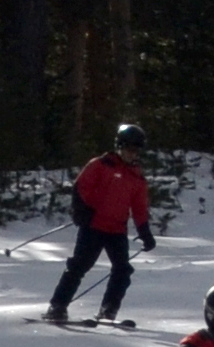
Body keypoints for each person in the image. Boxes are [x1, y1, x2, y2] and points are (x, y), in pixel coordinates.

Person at [49, 123, 157, 324]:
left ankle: (109, 310)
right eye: (129, 149)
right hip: (93, 226)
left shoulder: (137, 177)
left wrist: (145, 232)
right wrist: (81, 211)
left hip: (116, 230)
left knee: (122, 270)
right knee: (79, 266)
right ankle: (58, 306)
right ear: (120, 146)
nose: (133, 154)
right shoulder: (100, 165)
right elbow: (81, 187)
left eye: (137, 150)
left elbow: (139, 207)